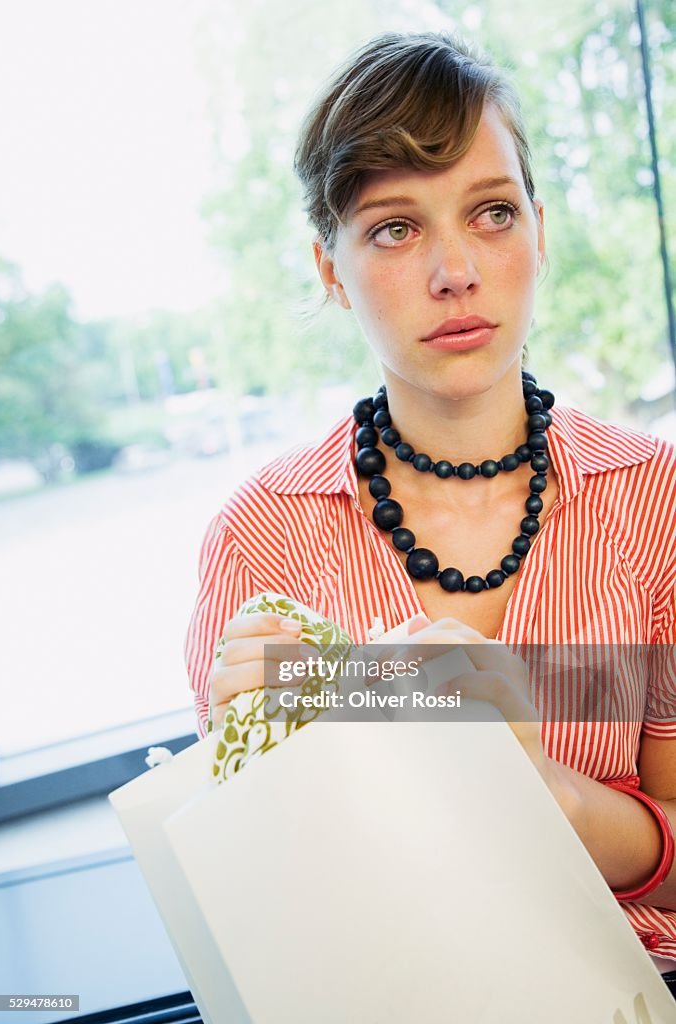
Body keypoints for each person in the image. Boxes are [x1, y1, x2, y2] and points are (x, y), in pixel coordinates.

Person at [184, 31, 676, 989]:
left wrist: (545, 795)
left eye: (492, 212)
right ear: (330, 267)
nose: (456, 270)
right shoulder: (260, 540)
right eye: (395, 228)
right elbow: (266, 924)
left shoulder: (656, 503)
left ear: (540, 228)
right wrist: (249, 774)